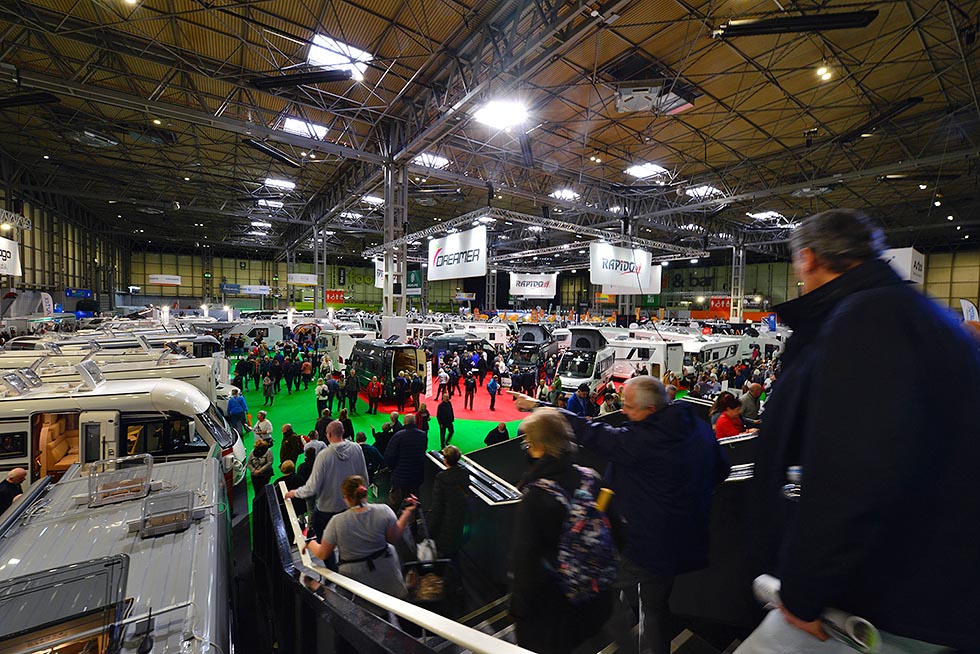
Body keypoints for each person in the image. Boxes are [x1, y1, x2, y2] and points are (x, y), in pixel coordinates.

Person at [736, 209, 980, 654]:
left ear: (808, 259)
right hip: (933, 589)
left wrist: (804, 592)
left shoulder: (866, 319)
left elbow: (852, 473)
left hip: (888, 599)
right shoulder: (917, 313)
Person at [512, 376, 730, 654]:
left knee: (600, 591)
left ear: (651, 409)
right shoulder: (697, 427)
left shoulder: (639, 442)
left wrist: (538, 406)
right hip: (681, 542)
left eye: (628, 407)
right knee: (654, 606)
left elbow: (588, 431)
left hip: (645, 544)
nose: (623, 411)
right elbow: (722, 470)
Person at [509, 407, 613, 654]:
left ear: (539, 446)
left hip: (553, 610)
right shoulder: (591, 478)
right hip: (594, 599)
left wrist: (519, 610)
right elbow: (617, 534)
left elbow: (525, 561)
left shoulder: (535, 496)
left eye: (528, 443)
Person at [302, 475, 416, 600]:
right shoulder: (384, 510)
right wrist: (407, 513)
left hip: (356, 578)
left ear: (346, 497)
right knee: (396, 603)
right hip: (386, 570)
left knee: (364, 609)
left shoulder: (336, 522)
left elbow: (323, 553)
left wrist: (310, 543)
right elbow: (393, 537)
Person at [286, 420, 369, 541]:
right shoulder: (357, 448)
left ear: (328, 435)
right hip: (351, 506)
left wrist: (294, 493)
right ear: (343, 431)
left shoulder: (323, 456)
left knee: (325, 541)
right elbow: (364, 477)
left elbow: (312, 487)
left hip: (328, 510)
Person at [427, 445, 469, 558]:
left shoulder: (441, 478)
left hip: (445, 524)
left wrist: (429, 531)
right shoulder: (464, 473)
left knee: (444, 554)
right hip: (459, 521)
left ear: (445, 459)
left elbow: (437, 506)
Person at [384, 413, 428, 510]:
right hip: (416, 476)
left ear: (404, 422)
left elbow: (389, 456)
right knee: (413, 505)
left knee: (395, 504)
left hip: (400, 477)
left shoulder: (398, 436)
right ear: (415, 422)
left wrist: (392, 468)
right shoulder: (423, 435)